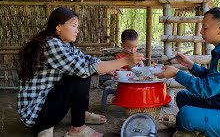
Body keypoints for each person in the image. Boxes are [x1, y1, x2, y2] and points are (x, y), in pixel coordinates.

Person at [17, 7, 144, 137]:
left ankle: (81, 113)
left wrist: (108, 68)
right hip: (36, 115)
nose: (77, 30)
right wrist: (125, 61)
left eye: (77, 26)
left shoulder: (65, 44)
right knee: (81, 74)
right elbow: (83, 68)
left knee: (85, 70)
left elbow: (87, 60)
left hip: (47, 106)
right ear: (59, 27)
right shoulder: (52, 45)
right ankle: (77, 128)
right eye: (73, 26)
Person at [156, 7, 220, 137]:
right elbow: (213, 78)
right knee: (183, 96)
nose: (200, 31)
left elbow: (207, 89)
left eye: (205, 27)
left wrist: (177, 73)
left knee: (185, 115)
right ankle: (205, 126)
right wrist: (191, 66)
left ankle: (206, 128)